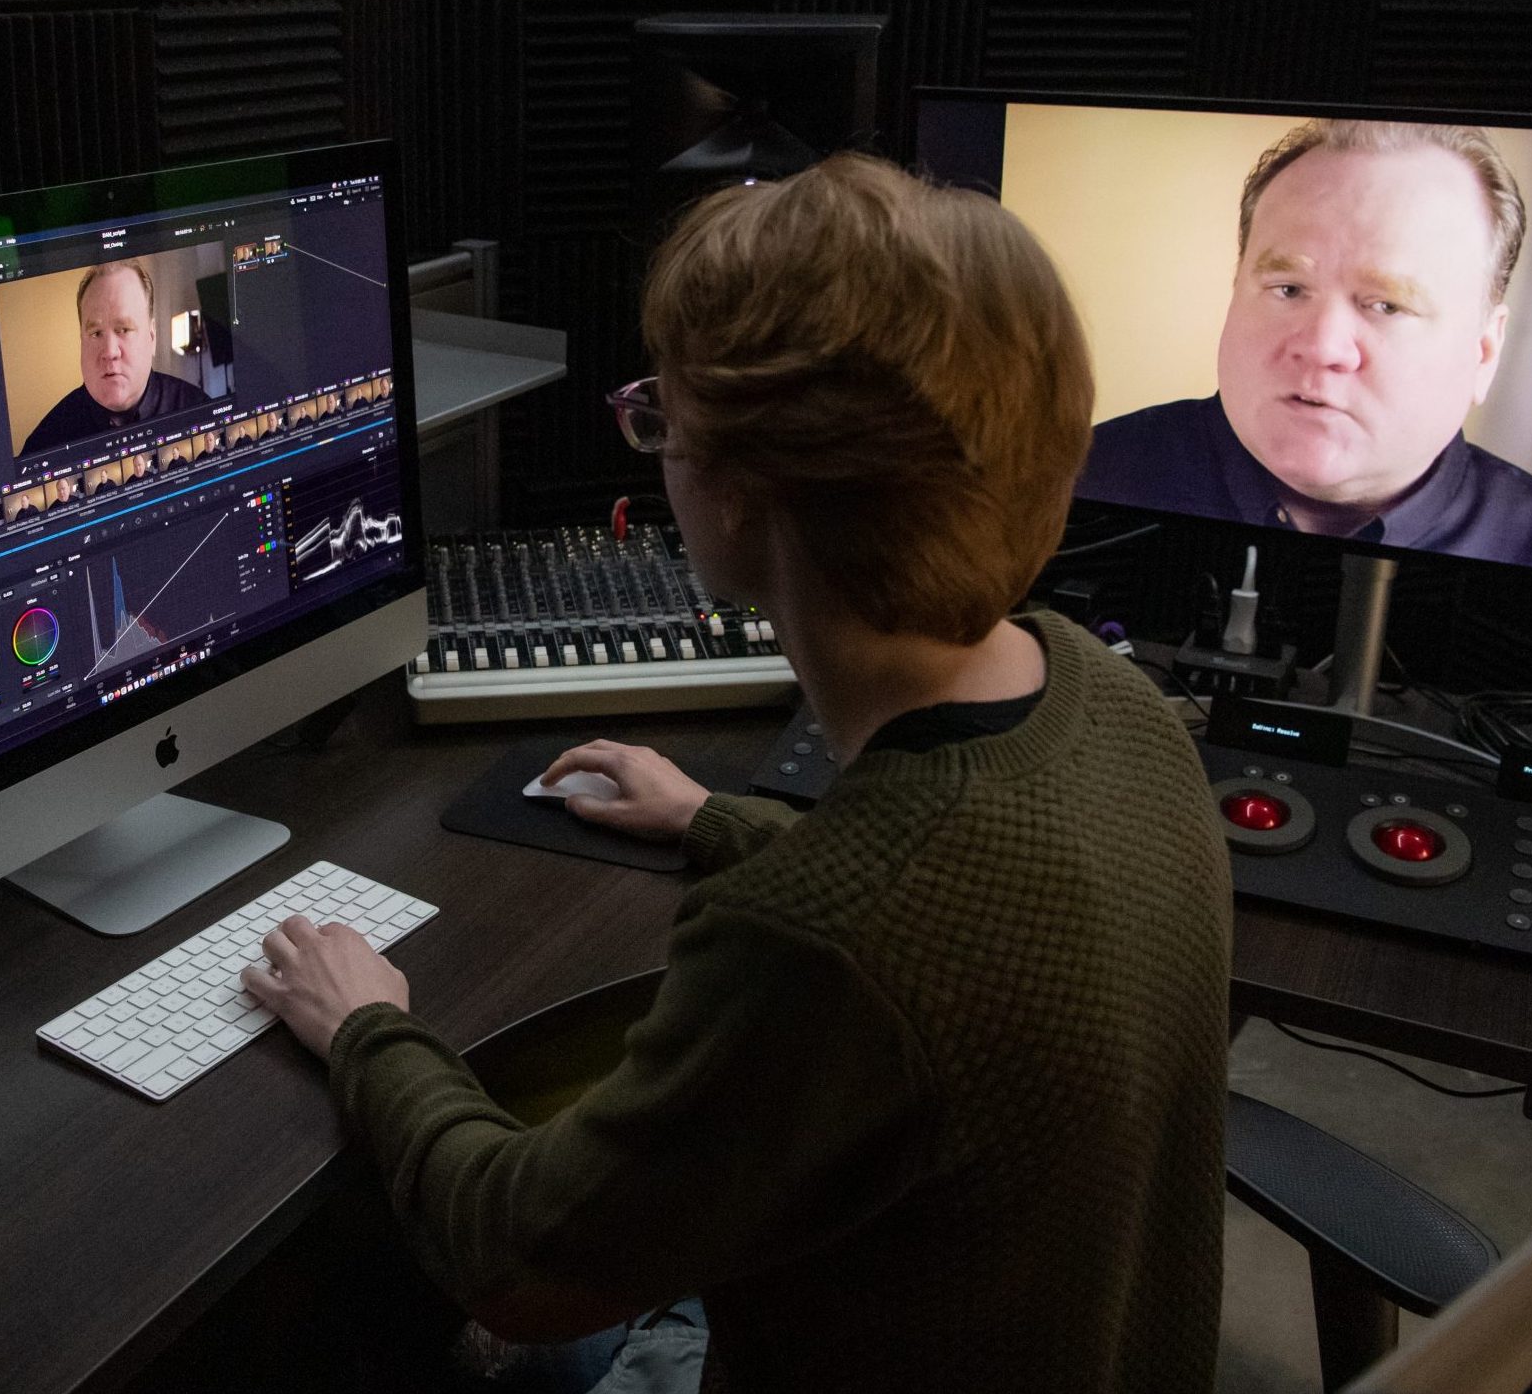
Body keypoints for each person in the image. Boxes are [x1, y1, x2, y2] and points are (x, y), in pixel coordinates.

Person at [243, 156, 1234, 1393]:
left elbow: (515, 1257)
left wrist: (368, 1027)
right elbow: (979, 928)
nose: (651, 444)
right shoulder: (1112, 700)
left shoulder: (818, 941)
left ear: (744, 495)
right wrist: (718, 815)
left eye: (660, 416)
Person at [1079, 119, 1532, 587]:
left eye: (1386, 305)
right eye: (1289, 290)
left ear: (1484, 353)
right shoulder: (1063, 489)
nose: (1322, 346)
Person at [18, 260, 209, 456]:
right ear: (81, 341)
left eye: (124, 329)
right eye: (96, 333)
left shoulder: (201, 413)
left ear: (151, 337)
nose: (110, 352)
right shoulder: (44, 444)